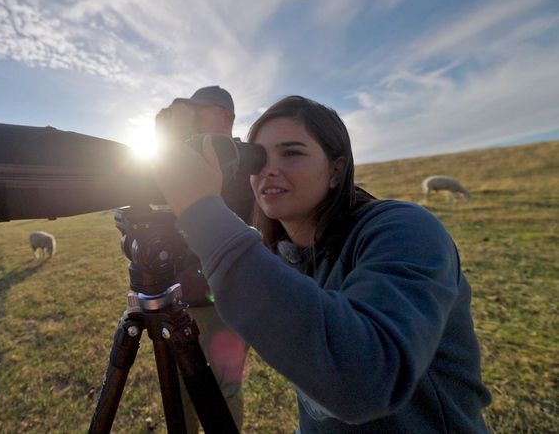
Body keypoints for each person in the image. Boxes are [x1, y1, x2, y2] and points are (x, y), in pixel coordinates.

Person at [151, 95, 491, 433]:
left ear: (336, 169)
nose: (268, 169)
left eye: (292, 153)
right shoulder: (284, 253)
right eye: (257, 159)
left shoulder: (406, 229)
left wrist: (203, 213)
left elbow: (364, 383)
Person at [155, 86, 251, 431]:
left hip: (225, 302)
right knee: (180, 389)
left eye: (199, 112)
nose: (191, 120)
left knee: (225, 390)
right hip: (178, 299)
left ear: (225, 116)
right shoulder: (183, 159)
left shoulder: (245, 160)